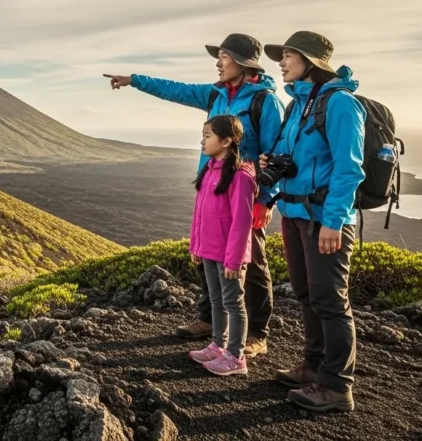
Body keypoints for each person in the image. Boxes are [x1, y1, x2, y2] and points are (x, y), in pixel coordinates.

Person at [103, 33, 284, 358]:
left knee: (252, 262)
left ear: (242, 63)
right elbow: (177, 90)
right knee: (209, 254)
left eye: (224, 57)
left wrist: (266, 198)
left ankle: (257, 333)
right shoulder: (215, 95)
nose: (218, 62)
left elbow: (276, 151)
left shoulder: (265, 101)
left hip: (244, 194)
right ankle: (209, 320)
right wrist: (134, 80)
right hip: (212, 188)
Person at [259, 31, 365, 412]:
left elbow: (349, 170)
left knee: (330, 300)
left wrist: (334, 222)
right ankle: (314, 366)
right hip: (295, 214)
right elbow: (293, 158)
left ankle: (337, 387)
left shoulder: (340, 105)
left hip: (325, 219)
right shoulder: (298, 106)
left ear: (311, 61)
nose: (282, 63)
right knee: (307, 294)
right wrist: (272, 165)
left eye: (288, 56)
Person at [186, 115, 257, 376]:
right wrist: (196, 246)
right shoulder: (210, 169)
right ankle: (218, 344)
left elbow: (242, 222)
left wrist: (235, 261)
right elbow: (199, 213)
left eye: (207, 136)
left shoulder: (240, 176)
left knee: (233, 303)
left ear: (226, 141)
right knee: (215, 299)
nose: (202, 141)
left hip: (229, 256)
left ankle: (236, 357)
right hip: (209, 250)